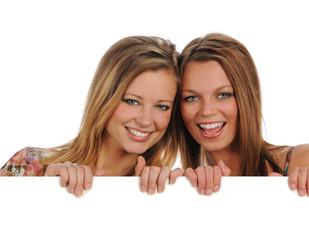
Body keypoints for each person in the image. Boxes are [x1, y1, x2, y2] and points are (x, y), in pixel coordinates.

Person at [0, 36, 183, 196]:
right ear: (104, 98)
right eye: (132, 101)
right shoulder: (29, 166)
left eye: (161, 106)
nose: (145, 120)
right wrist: (47, 193)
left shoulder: (172, 186)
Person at [175, 33, 309, 196]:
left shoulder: (308, 161)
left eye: (223, 95)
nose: (206, 111)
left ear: (247, 96)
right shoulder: (185, 186)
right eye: (191, 97)